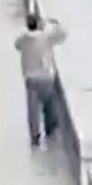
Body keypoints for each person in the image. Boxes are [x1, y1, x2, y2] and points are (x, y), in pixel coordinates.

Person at [15, 8, 66, 148]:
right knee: (49, 105)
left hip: (31, 78)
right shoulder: (46, 37)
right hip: (47, 76)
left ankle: (35, 137)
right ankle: (51, 132)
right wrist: (54, 23)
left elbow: (17, 45)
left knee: (33, 110)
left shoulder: (23, 39)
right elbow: (62, 35)